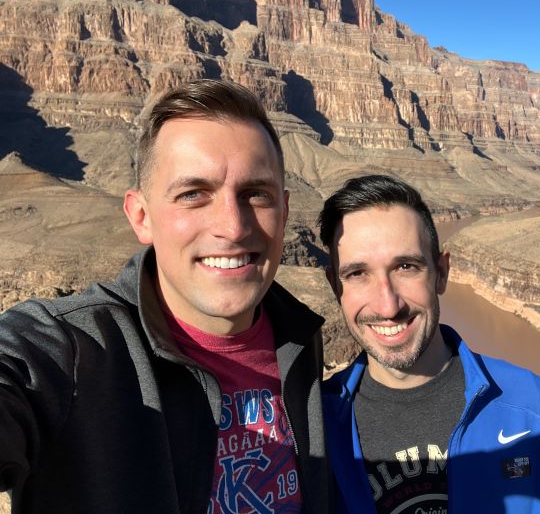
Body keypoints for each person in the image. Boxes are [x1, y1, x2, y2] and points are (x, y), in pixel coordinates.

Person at [0, 80, 330, 513]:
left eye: (256, 194)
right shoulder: (77, 351)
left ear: (284, 212)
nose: (232, 227)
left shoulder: (300, 341)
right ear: (141, 216)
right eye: (193, 194)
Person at [318, 174, 540, 513]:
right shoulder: (314, 428)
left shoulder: (535, 408)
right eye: (358, 274)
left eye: (405, 267)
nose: (388, 306)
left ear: (441, 273)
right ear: (335, 286)